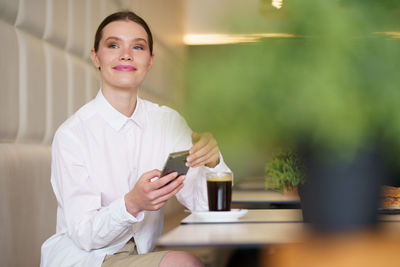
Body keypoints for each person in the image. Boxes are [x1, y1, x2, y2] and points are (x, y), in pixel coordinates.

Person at [40, 11, 231, 267]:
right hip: (86, 259)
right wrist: (132, 203)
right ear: (95, 56)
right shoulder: (72, 135)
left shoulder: (168, 122)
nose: (126, 54)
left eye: (138, 46)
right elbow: (84, 235)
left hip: (141, 254)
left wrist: (213, 162)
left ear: (150, 60)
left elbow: (208, 209)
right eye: (113, 45)